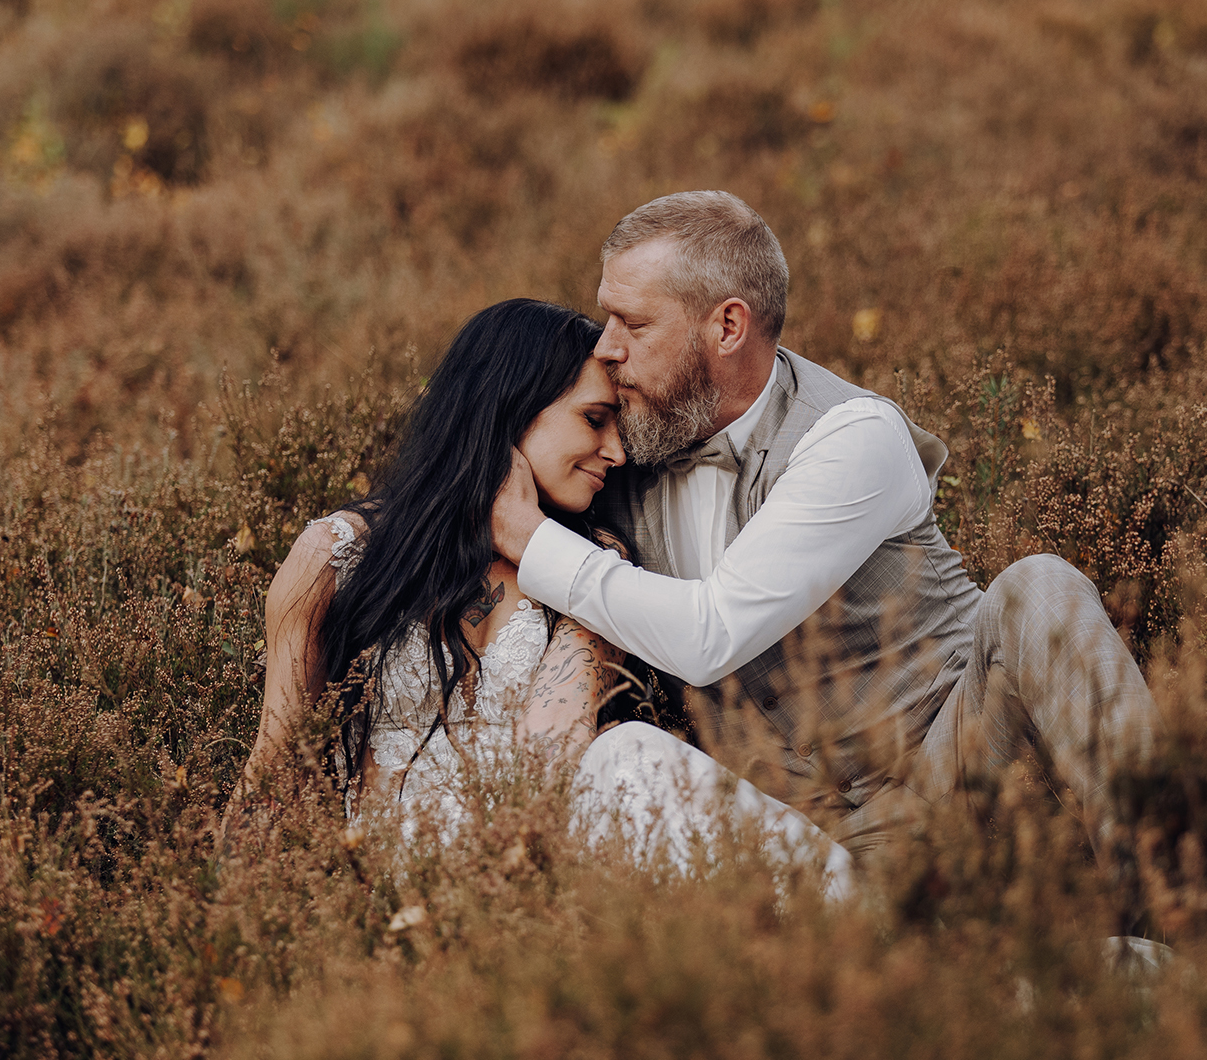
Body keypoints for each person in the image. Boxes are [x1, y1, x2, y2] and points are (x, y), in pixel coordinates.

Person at [491, 192, 1163, 874]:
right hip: (807, 837)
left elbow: (710, 633)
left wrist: (531, 538)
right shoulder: (626, 445)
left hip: (953, 772)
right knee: (629, 767)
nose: (607, 348)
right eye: (607, 317)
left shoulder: (851, 436)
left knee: (1038, 588)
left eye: (633, 323)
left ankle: (1178, 900)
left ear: (727, 327)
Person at [235, 298, 854, 900]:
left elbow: (548, 760)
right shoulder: (334, 558)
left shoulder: (585, 569)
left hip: (514, 877)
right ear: (509, 410)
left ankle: (853, 915)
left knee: (629, 757)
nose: (617, 451)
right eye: (593, 419)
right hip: (374, 895)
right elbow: (274, 768)